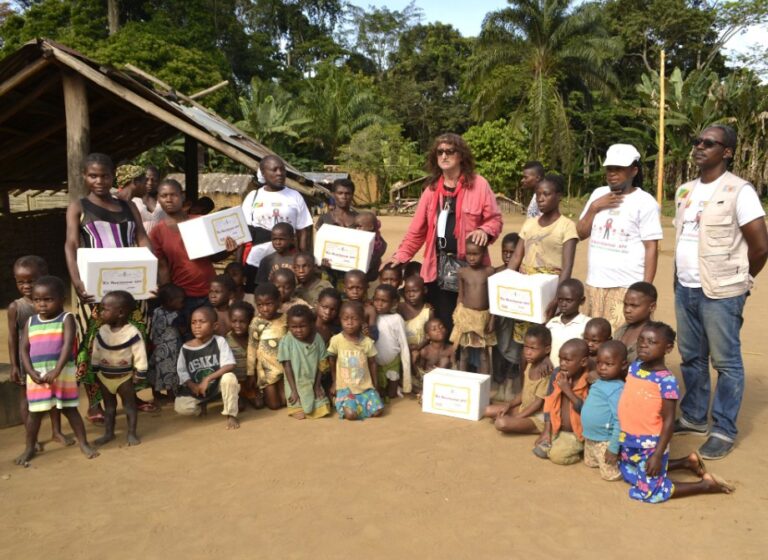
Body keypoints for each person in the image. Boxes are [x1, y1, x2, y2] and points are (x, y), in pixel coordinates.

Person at [673, 124, 768, 459]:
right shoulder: (684, 191)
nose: (699, 147)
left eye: (709, 143)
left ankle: (724, 429)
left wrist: (739, 284)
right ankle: (695, 416)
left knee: (726, 363)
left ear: (726, 152)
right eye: (697, 141)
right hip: (685, 287)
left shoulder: (740, 191)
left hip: (722, 292)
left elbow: (760, 247)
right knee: (692, 357)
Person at [64, 153, 153, 423]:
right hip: (95, 291)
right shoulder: (78, 207)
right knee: (93, 346)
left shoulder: (129, 207)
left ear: (113, 176)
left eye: (104, 176)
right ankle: (94, 403)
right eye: (93, 175)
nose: (99, 181)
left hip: (132, 291)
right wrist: (77, 280)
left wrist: (151, 275)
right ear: (84, 177)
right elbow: (70, 245)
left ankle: (132, 395)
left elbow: (142, 238)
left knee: (134, 340)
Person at [386, 133, 503, 334]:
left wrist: (485, 230)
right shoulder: (431, 190)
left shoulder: (479, 184)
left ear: (461, 156)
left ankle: (468, 365)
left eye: (450, 151)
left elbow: (495, 219)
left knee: (471, 324)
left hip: (470, 268)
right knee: (443, 322)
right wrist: (401, 256)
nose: (444, 156)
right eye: (440, 152)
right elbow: (417, 230)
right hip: (438, 266)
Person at [618, 322, 734, 501]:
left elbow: (669, 421)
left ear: (668, 348)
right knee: (628, 472)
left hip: (650, 444)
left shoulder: (666, 381)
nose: (643, 344)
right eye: (641, 339)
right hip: (629, 437)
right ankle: (687, 462)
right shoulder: (635, 367)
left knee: (649, 492)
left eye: (651, 342)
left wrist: (657, 454)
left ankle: (705, 485)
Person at [577, 144, 662, 332]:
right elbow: (581, 233)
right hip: (594, 285)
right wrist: (594, 208)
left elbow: (651, 248)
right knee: (594, 344)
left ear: (633, 170)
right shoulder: (598, 195)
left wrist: (644, 291)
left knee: (621, 347)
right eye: (609, 169)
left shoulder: (645, 202)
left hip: (626, 288)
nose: (612, 174)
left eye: (619, 169)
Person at [16, 276, 99, 466]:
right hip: (37, 375)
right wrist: (30, 372)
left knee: (69, 409)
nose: (42, 304)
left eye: (48, 299)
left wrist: (57, 370)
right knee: (35, 413)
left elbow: (68, 345)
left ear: (61, 299)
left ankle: (84, 443)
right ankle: (29, 447)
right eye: (37, 300)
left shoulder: (67, 318)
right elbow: (24, 349)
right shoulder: (31, 322)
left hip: (63, 374)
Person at [151, 179, 238, 328]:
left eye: (173, 195)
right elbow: (162, 267)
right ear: (158, 199)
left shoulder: (200, 222)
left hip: (210, 293)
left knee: (212, 335)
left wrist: (229, 250)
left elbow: (213, 257)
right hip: (182, 297)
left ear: (182, 196)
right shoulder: (157, 232)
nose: (169, 199)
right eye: (164, 196)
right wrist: (168, 297)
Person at [8, 255, 70, 449]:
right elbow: (12, 338)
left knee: (54, 396)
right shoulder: (16, 307)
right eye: (21, 281)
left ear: (45, 277)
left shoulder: (54, 304)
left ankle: (56, 431)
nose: (26, 286)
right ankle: (31, 438)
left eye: (31, 281)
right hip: (27, 360)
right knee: (26, 399)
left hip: (51, 359)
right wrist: (14, 365)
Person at [507, 174, 579, 340]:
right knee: (525, 342)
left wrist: (556, 299)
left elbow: (567, 267)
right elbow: (517, 257)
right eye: (538, 194)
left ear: (559, 196)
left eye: (546, 194)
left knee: (544, 338)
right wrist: (508, 286)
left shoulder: (567, 226)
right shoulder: (529, 223)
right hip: (526, 291)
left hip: (549, 291)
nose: (540, 198)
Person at [241, 155, 313, 289]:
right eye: (274, 170)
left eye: (282, 169)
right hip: (257, 258)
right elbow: (242, 232)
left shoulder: (295, 196)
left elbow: (303, 230)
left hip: (288, 260)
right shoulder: (253, 197)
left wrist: (304, 257)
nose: (279, 173)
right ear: (263, 173)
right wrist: (239, 263)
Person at [90, 291, 148, 447]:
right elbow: (96, 351)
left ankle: (131, 433)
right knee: (109, 408)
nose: (101, 312)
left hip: (124, 378)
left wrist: (140, 372)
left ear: (121, 312)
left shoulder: (132, 333)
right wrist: (95, 369)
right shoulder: (102, 331)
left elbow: (139, 354)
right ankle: (109, 433)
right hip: (104, 376)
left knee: (129, 406)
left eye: (105, 309)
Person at [174, 306, 240, 430]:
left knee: (229, 378)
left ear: (214, 326)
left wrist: (207, 379)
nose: (197, 326)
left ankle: (231, 414)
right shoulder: (186, 348)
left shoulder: (219, 341)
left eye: (202, 322)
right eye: (193, 322)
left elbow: (230, 364)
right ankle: (201, 405)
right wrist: (192, 385)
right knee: (181, 407)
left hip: (217, 385)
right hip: (198, 389)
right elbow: (182, 371)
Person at [484, 325, 551, 436]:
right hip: (523, 408)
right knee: (488, 410)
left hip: (537, 416)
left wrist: (516, 417)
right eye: (526, 347)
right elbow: (524, 392)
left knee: (501, 423)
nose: (528, 352)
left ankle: (533, 428)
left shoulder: (545, 373)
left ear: (547, 349)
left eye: (533, 348)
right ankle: (518, 420)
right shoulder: (530, 364)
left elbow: (537, 404)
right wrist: (508, 405)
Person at [327, 301, 384, 420]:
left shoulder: (367, 342)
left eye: (354, 319)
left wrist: (375, 384)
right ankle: (340, 402)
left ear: (362, 321)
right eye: (346, 319)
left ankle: (359, 405)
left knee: (378, 411)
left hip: (365, 387)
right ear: (340, 319)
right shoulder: (336, 340)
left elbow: (373, 363)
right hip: (345, 388)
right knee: (350, 415)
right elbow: (331, 360)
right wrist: (334, 382)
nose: (350, 323)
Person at [538, 339, 591, 465]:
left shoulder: (589, 380)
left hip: (577, 433)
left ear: (583, 362)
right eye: (560, 359)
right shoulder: (557, 373)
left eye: (567, 360)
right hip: (558, 429)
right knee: (539, 450)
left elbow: (587, 412)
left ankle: (581, 452)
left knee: (556, 456)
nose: (562, 364)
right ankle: (557, 441)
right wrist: (546, 431)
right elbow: (549, 402)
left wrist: (567, 390)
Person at [581, 340, 627, 481]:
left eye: (609, 364)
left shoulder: (618, 389)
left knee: (609, 475)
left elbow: (620, 421)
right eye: (599, 363)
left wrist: (613, 448)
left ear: (623, 365)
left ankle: (627, 463)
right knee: (590, 463)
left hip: (605, 440)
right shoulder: (599, 381)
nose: (602, 368)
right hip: (590, 437)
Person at [450, 238, 497, 374]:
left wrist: (493, 318)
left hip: (483, 317)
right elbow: (460, 295)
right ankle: (465, 383)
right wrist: (457, 315)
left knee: (483, 354)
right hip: (466, 316)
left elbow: (493, 296)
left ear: (483, 254)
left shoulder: (489, 272)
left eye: (475, 254)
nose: (471, 257)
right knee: (464, 352)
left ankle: (485, 385)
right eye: (469, 254)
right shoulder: (462, 272)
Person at [278, 305, 331, 419]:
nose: (298, 330)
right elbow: (287, 367)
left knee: (323, 410)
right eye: (294, 327)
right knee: (300, 413)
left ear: (311, 324)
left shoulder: (318, 339)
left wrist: (316, 386)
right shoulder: (286, 341)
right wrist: (293, 390)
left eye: (302, 326)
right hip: (294, 383)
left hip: (313, 381)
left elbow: (321, 364)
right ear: (288, 326)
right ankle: (294, 400)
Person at [247, 283, 288, 410]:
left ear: (278, 302)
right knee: (274, 406)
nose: (265, 309)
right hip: (266, 371)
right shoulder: (256, 323)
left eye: (269, 304)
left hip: (285, 369)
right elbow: (252, 348)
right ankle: (256, 395)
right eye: (260, 305)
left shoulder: (285, 319)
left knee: (285, 402)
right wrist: (251, 373)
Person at [492, 233, 522, 402]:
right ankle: (500, 385)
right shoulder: (496, 273)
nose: (508, 256)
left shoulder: (524, 275)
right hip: (500, 323)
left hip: (516, 324)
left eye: (512, 252)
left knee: (515, 353)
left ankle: (510, 386)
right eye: (505, 252)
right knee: (498, 355)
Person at [372, 284, 412, 400]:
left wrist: (407, 380)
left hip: (393, 362)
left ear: (394, 303)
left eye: (384, 301)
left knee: (392, 395)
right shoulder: (372, 316)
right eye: (376, 300)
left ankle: (396, 387)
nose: (379, 304)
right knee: (379, 393)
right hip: (375, 363)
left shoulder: (397, 319)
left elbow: (404, 345)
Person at [397, 275, 433, 394]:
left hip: (421, 346)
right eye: (407, 292)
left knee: (421, 355)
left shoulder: (428, 310)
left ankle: (421, 381)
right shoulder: (400, 308)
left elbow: (430, 334)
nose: (411, 295)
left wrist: (419, 347)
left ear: (424, 291)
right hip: (403, 346)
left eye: (415, 291)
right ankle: (408, 383)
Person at [148, 283, 184, 403]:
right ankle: (172, 395)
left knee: (156, 370)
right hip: (171, 350)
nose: (182, 303)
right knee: (171, 372)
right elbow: (181, 329)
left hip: (158, 348)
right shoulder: (175, 315)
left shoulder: (156, 311)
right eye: (180, 301)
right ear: (169, 301)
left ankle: (156, 393)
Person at [545, 279, 590, 368]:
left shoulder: (587, 324)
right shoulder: (551, 324)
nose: (563, 304)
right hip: (551, 375)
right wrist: (544, 359)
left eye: (569, 300)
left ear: (582, 301)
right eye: (560, 300)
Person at [227, 301, 262, 410]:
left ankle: (250, 393)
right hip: (236, 382)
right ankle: (239, 396)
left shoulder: (254, 338)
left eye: (242, 322)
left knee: (259, 404)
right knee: (240, 407)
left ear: (250, 321)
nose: (237, 325)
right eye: (234, 321)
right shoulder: (226, 341)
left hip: (252, 380)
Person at [614, 281, 657, 364]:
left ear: (652, 307)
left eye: (634, 306)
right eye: (625, 304)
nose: (627, 310)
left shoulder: (654, 337)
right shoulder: (621, 330)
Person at [415, 318, 456, 396]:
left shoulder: (451, 349)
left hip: (445, 380)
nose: (439, 330)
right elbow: (420, 372)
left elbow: (454, 368)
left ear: (446, 330)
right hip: (429, 381)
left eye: (441, 327)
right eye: (434, 329)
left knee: (445, 361)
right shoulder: (425, 351)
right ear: (427, 336)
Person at [315, 288, 342, 397]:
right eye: (324, 307)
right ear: (317, 304)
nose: (328, 312)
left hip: (330, 374)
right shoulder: (308, 326)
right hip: (311, 373)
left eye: (333, 309)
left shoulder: (335, 331)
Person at [343, 269, 377, 340]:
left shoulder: (369, 309)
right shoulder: (341, 306)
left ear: (366, 288)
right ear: (344, 288)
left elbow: (375, 335)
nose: (355, 292)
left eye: (359, 288)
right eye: (351, 288)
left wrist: (368, 333)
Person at [355, 211, 388, 286]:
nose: (357, 229)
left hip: (371, 279)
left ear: (371, 227)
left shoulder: (379, 244)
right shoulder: (354, 240)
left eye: (360, 226)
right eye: (355, 226)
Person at [582, 317, 612, 382]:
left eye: (595, 341)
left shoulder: (609, 360)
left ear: (608, 340)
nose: (589, 344)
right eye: (586, 339)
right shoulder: (581, 354)